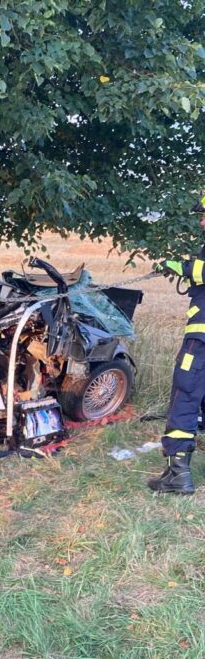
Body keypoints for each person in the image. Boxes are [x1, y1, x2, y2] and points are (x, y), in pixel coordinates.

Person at [148, 194, 205, 495]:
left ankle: (177, 474)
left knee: (185, 394)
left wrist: (177, 265)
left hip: (201, 340)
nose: (202, 220)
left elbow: (202, 271)